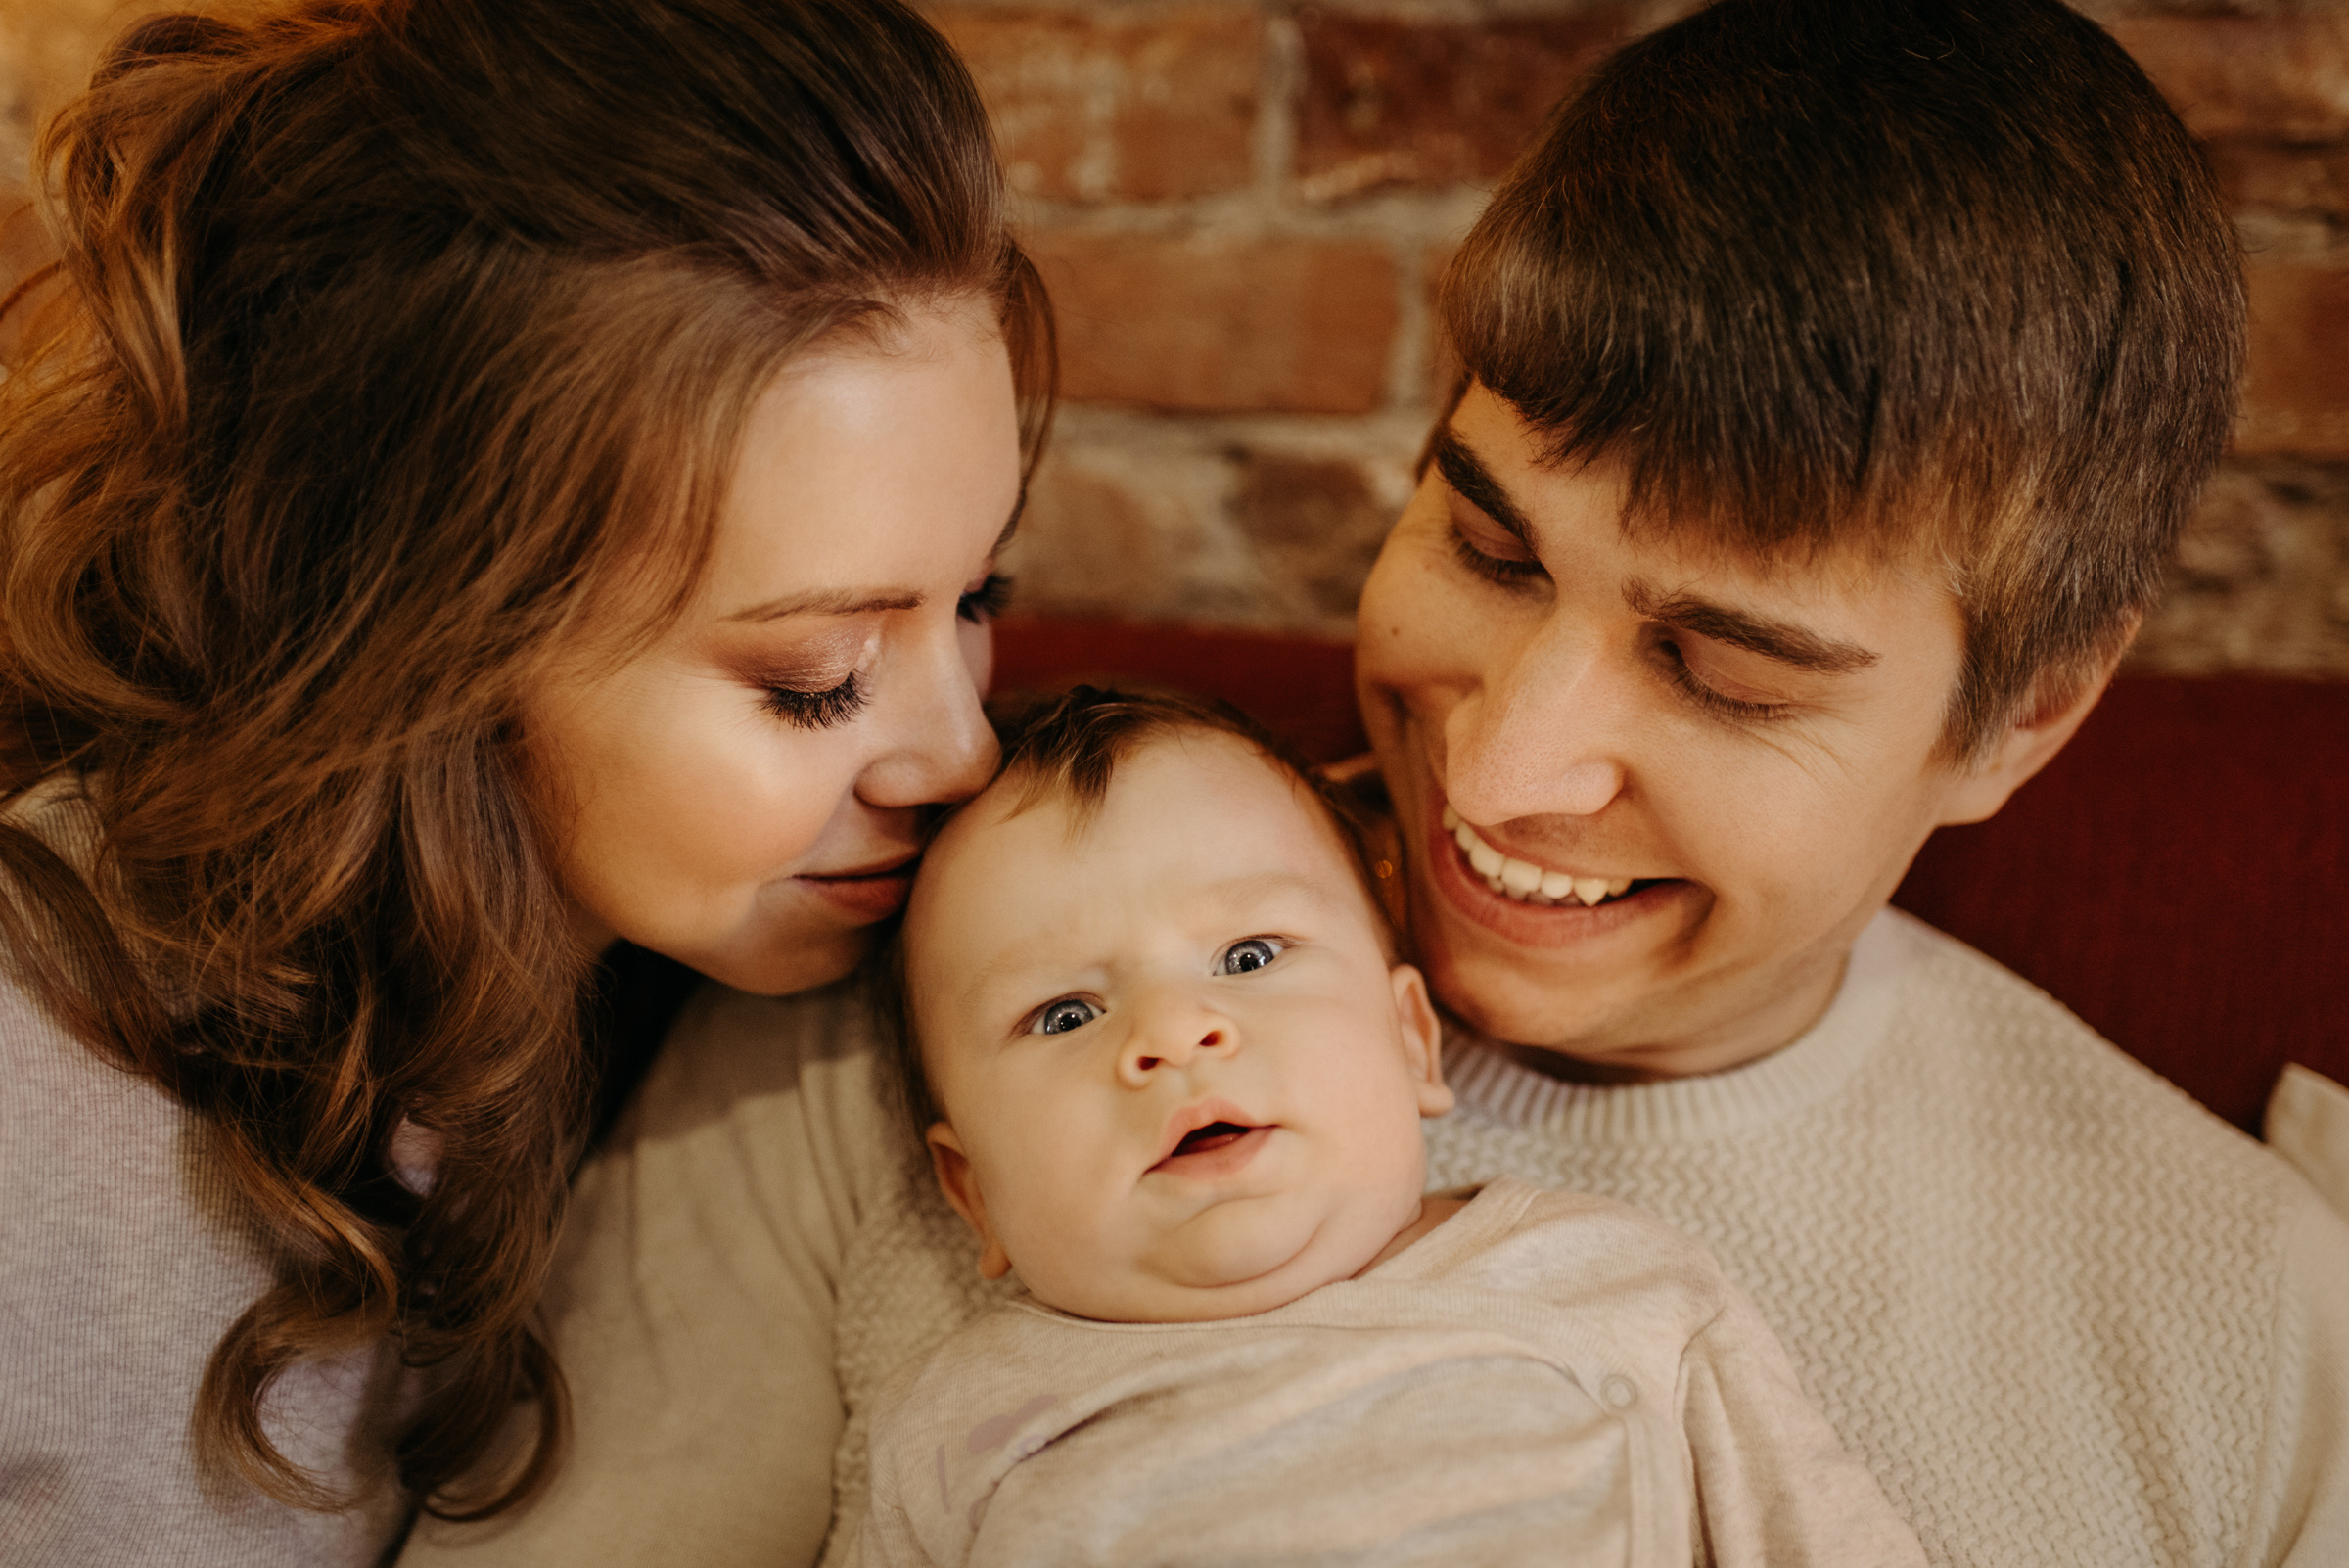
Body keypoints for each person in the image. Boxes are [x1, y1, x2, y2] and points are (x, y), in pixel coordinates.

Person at [410, 0, 2349, 1565]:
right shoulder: (941, 980)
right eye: (1489, 550)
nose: (1495, 769)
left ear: (2023, 720)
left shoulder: (2262, 1344)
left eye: (1723, 671)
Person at [0, 1, 1048, 1562]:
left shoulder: (743, 989)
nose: (963, 749)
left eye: (975, 600)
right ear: (429, 641)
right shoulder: (46, 1094)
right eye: (816, 675)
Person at [846, 687, 1925, 1568]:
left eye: (1252, 955)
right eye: (1065, 1014)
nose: (1175, 1034)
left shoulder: (1601, 1279)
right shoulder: (956, 1427)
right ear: (974, 1191)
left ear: (1412, 1041)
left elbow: (1815, 1531)